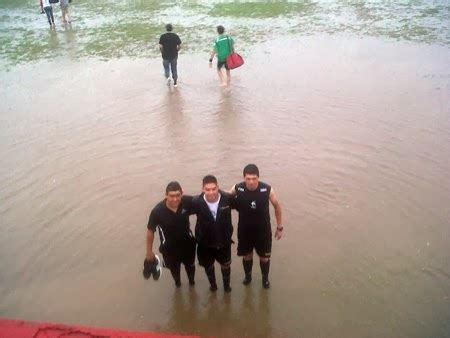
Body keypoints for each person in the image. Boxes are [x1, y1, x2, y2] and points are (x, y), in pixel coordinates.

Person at [230, 164, 283, 289]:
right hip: (244, 230)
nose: (251, 182)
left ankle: (265, 279)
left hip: (263, 231)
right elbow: (225, 198)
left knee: (264, 258)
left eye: (254, 179)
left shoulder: (267, 189)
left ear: (258, 177)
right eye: (248, 179)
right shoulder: (237, 188)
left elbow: (277, 206)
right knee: (247, 256)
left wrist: (280, 227)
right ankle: (248, 276)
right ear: (244, 178)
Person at [143, 181, 196, 287]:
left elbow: (205, 198)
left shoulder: (187, 202)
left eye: (178, 195)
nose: (175, 199)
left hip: (188, 245)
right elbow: (150, 231)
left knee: (190, 266)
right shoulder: (157, 211)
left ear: (182, 194)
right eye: (171, 196)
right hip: (168, 249)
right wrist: (149, 252)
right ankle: (178, 284)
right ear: (166, 195)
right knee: (174, 270)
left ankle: (191, 283)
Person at [191, 175, 235, 293]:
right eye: (207, 189)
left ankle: (226, 287)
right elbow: (179, 209)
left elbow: (244, 205)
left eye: (214, 189)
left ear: (218, 187)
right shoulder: (196, 202)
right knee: (208, 266)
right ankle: (213, 286)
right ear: (202, 189)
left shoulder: (227, 198)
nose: (211, 192)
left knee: (225, 265)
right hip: (205, 243)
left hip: (224, 242)